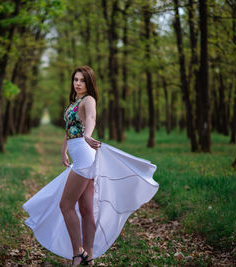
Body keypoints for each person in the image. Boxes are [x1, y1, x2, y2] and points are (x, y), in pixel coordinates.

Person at [23, 66, 159, 266]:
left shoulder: (89, 100)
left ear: (89, 83)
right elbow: (69, 129)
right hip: (79, 154)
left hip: (86, 156)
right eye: (75, 79)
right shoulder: (74, 103)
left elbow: (91, 119)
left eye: (82, 80)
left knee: (65, 205)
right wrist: (63, 150)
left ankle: (79, 253)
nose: (77, 83)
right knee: (86, 209)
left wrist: (87, 135)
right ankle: (90, 255)